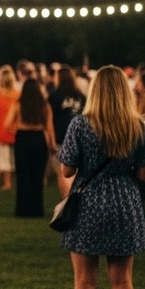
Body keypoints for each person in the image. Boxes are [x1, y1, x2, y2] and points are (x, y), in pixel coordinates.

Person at [56, 67, 145, 289]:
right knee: (122, 279)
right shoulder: (136, 126)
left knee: (84, 280)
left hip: (88, 203)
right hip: (125, 202)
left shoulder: (80, 125)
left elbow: (67, 169)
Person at [3, 79, 55, 217]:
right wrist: (52, 144)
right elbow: (49, 127)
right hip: (39, 139)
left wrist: (17, 130)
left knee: (23, 175)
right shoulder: (44, 106)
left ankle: (22, 210)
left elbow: (7, 124)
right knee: (37, 177)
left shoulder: (18, 104)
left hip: (22, 139)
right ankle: (37, 210)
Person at [49, 67, 87, 197]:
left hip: (61, 137)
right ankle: (77, 200)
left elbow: (49, 119)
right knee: (78, 173)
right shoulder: (81, 96)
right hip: (81, 138)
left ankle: (67, 202)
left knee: (63, 172)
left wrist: (51, 139)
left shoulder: (54, 96)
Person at [0, 66, 19, 191]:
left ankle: (7, 183)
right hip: (16, 130)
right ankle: (14, 182)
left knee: (4, 160)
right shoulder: (18, 95)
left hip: (1, 130)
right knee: (14, 158)